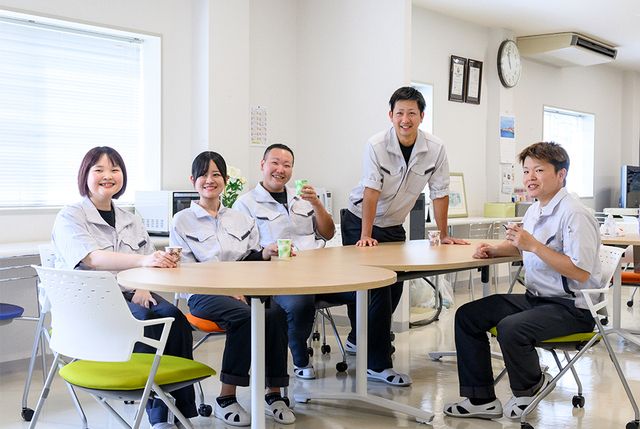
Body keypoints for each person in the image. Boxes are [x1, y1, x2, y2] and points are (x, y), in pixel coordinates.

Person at [444, 142, 602, 420]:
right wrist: (495, 250)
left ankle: (531, 386)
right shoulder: (535, 209)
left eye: (539, 170)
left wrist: (533, 245)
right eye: (527, 171)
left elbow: (580, 272)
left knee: (511, 327)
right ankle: (480, 399)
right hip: (537, 299)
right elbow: (523, 247)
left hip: (573, 308)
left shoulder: (575, 214)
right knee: (468, 315)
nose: (530, 177)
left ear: (561, 174)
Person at [52, 146, 194, 429]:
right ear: (85, 175)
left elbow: (149, 258)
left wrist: (143, 285)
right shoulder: (71, 216)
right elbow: (92, 259)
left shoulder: (131, 218)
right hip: (93, 299)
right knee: (144, 322)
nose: (108, 175)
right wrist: (143, 262)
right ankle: (157, 412)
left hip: (131, 292)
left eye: (114, 170)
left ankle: (180, 408)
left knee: (175, 319)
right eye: (99, 170)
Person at [341, 86, 467, 382]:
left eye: (412, 113)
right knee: (372, 288)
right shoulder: (376, 145)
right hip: (360, 220)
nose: (405, 119)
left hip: (394, 224)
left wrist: (444, 234)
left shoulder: (435, 148)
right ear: (391, 115)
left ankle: (360, 340)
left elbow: (440, 191)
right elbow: (371, 190)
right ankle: (377, 363)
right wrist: (366, 235)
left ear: (422, 116)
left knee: (395, 286)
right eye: (400, 113)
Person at [170, 151, 295, 426]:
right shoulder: (182, 220)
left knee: (276, 313)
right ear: (193, 180)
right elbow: (186, 270)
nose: (210, 180)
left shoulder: (240, 219)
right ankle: (226, 397)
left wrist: (266, 253)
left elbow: (249, 258)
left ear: (225, 180)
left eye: (216, 174)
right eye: (203, 174)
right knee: (246, 316)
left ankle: (273, 393)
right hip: (203, 294)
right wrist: (226, 289)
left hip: (242, 289)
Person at [233, 143, 338, 380]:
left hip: (317, 272)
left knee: (361, 291)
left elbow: (328, 233)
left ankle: (360, 349)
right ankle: (300, 359)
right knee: (300, 302)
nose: (281, 169)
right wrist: (266, 251)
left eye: (287, 165)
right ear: (263, 165)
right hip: (277, 277)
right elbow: (244, 252)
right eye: (275, 163)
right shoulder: (245, 203)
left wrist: (317, 204)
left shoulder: (302, 199)